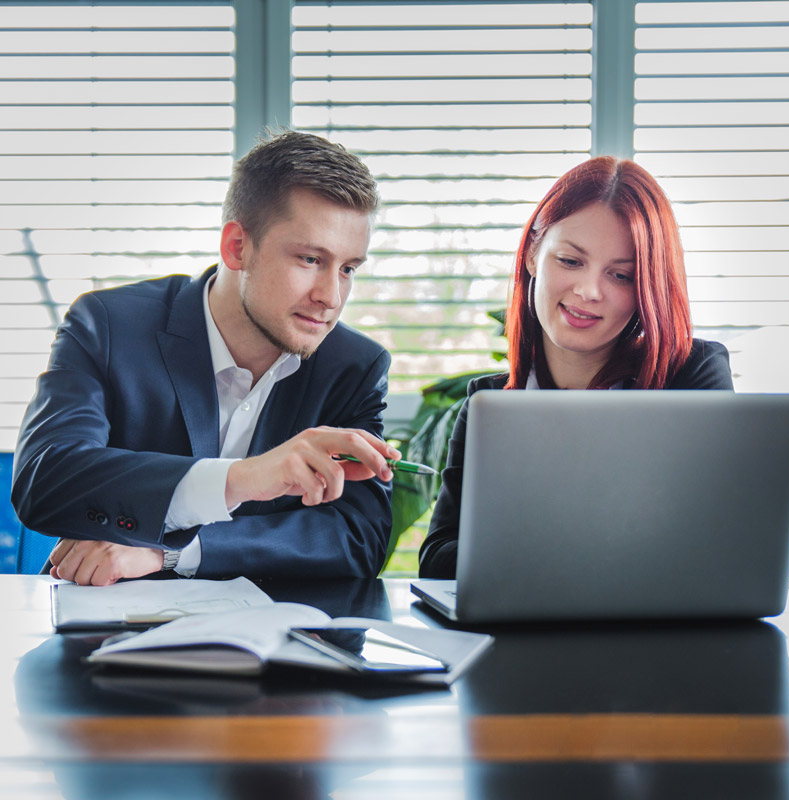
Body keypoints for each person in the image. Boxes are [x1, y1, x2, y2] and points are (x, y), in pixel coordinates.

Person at [12, 130, 400, 586]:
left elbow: (357, 538)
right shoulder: (110, 324)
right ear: (237, 247)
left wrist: (171, 553)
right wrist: (241, 479)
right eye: (310, 259)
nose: (331, 297)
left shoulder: (354, 366)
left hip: (272, 641)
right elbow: (46, 479)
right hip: (102, 627)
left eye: (348, 268)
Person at [418, 156, 734, 579]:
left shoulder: (690, 376)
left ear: (646, 288)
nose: (588, 291)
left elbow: (717, 546)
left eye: (621, 276)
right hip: (524, 636)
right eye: (569, 261)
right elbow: (438, 560)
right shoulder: (488, 404)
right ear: (533, 254)